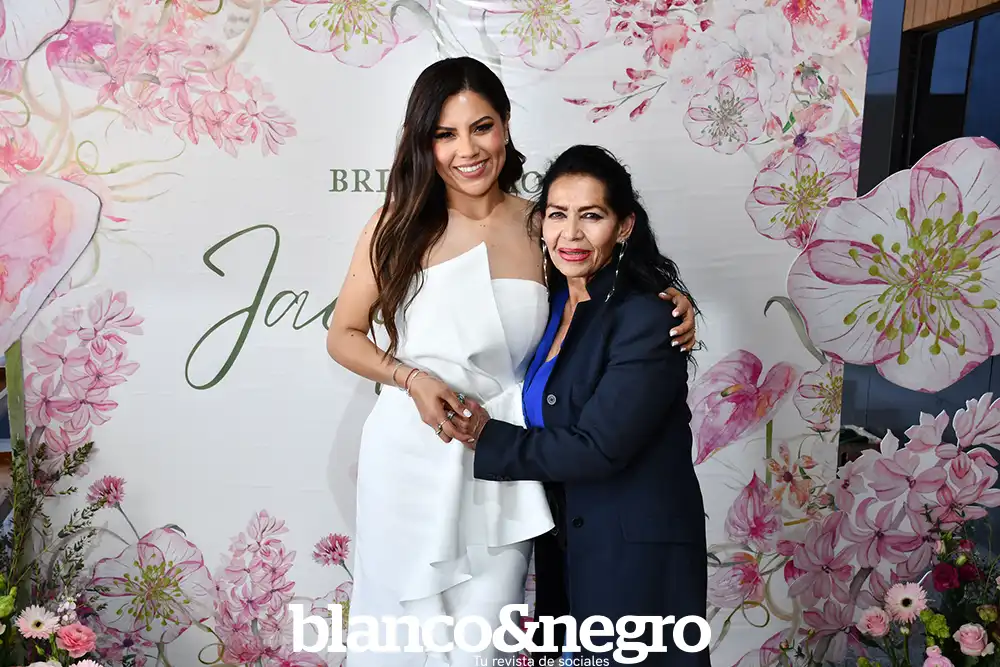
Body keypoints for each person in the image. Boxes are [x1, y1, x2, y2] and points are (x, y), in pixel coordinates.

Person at [326, 57, 698, 667]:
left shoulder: (540, 224)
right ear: (423, 141)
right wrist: (409, 378)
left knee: (485, 639)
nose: (467, 150)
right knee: (401, 638)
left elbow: (595, 297)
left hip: (505, 457)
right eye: (445, 134)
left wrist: (670, 296)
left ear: (505, 125)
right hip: (410, 452)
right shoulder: (396, 225)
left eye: (482, 127)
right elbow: (343, 334)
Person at [461, 145, 710, 667]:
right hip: (568, 550)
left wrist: (485, 438)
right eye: (557, 214)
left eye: (591, 216)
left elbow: (599, 447)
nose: (570, 234)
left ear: (624, 226)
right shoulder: (551, 301)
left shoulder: (646, 316)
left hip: (634, 560)